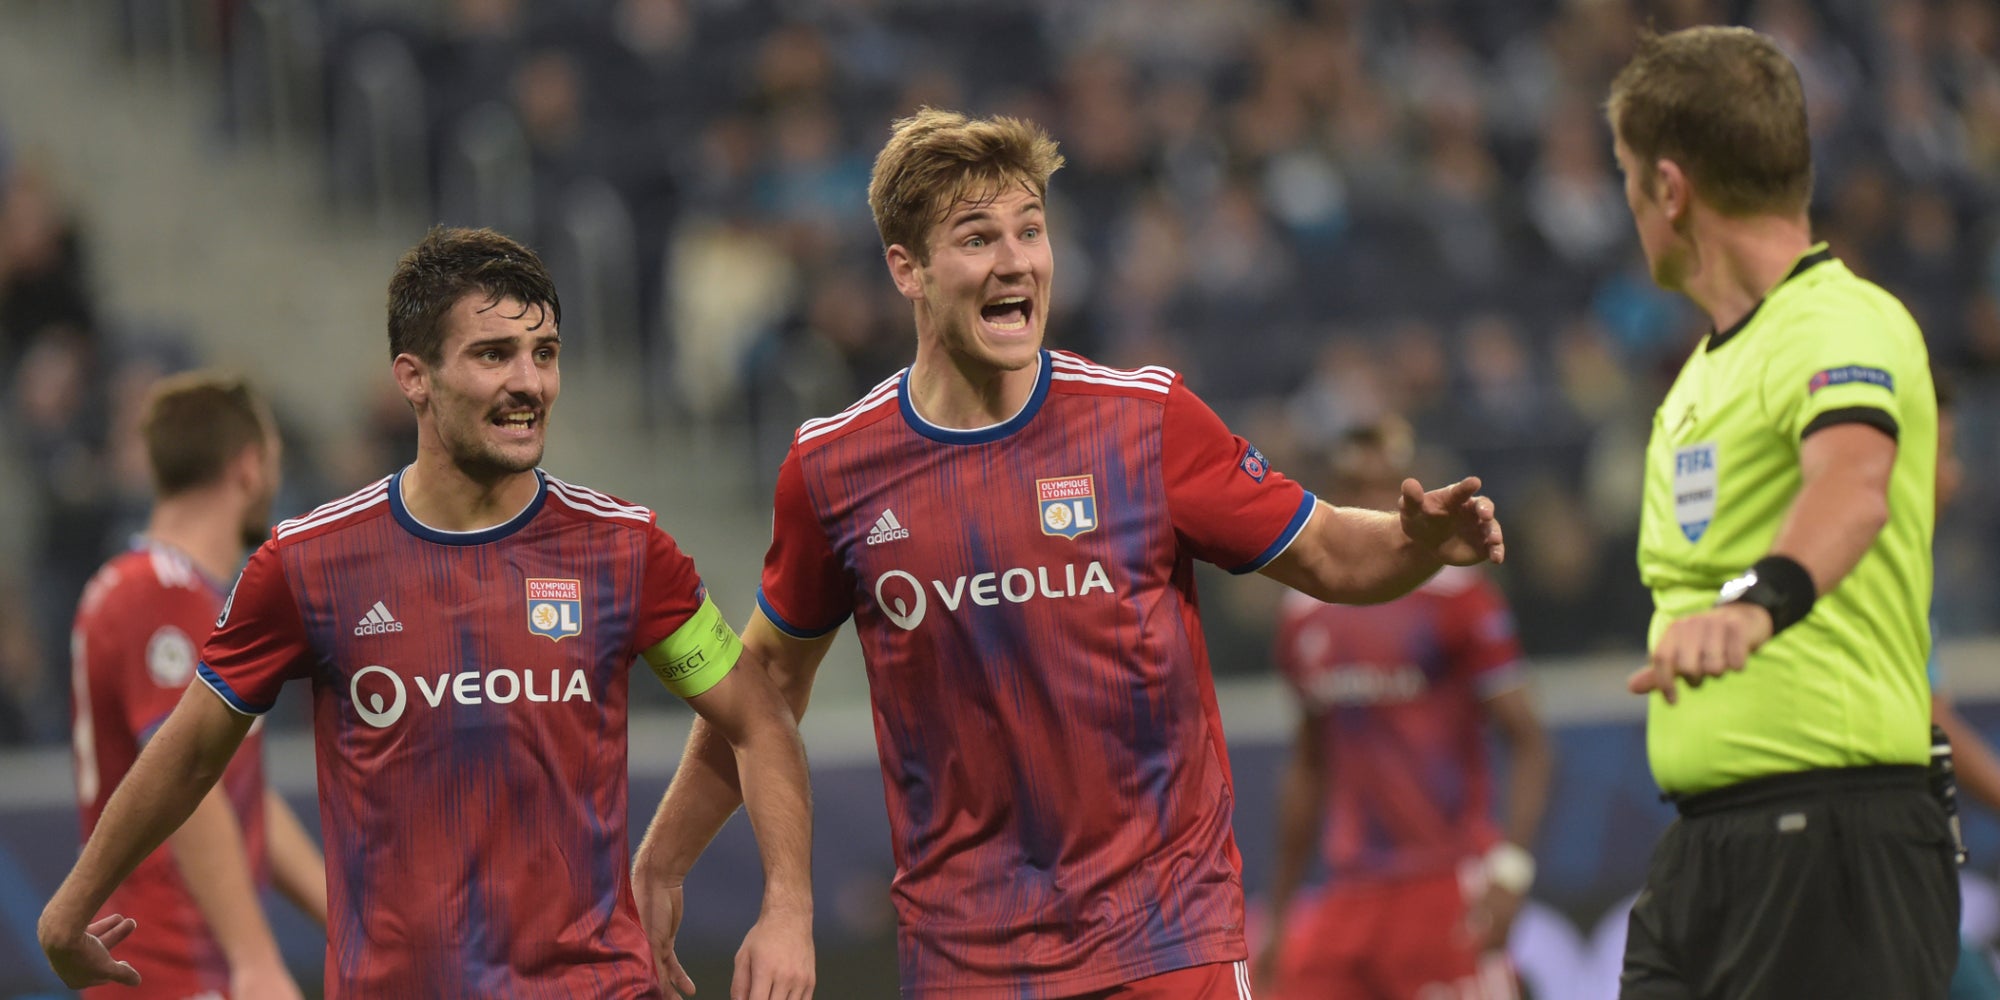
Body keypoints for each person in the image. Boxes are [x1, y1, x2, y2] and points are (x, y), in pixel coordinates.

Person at [638, 108, 1503, 999]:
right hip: (967, 960)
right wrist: (664, 863)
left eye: (1031, 231)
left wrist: (1413, 543)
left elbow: (1325, 550)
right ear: (908, 270)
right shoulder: (832, 469)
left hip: (1167, 939)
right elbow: (763, 685)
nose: (1016, 261)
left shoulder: (1145, 422)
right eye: (977, 238)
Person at [38, 227, 817, 999]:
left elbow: (756, 716)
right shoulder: (307, 564)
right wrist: (71, 909)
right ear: (414, 377)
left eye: (544, 353)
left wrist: (785, 908)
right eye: (493, 355)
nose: (530, 383)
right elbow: (192, 754)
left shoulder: (625, 549)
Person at [1609, 26, 1956, 999]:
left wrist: (1752, 604)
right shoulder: (1707, 369)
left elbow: (1848, 482)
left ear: (1669, 190)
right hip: (1704, 852)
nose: (1630, 207)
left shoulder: (1837, 320)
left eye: (1627, 181)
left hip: (1830, 834)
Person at [1256, 419, 1551, 1000]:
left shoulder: (1458, 598)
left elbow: (1530, 741)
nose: (1366, 502)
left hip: (1445, 880)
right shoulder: (1303, 614)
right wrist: (1283, 908)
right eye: (1350, 488)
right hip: (1350, 890)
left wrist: (1511, 870)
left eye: (1380, 487)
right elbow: (1310, 766)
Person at [68, 372, 327, 999]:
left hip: (176, 963)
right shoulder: (162, 591)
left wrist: (346, 919)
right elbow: (187, 782)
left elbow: (230, 788)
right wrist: (257, 958)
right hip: (165, 963)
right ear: (247, 467)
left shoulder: (154, 589)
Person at [1928, 373, 2000, 1000]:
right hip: (1861, 866)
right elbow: (1925, 714)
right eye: (1940, 452)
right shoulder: (1858, 562)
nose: (1952, 476)